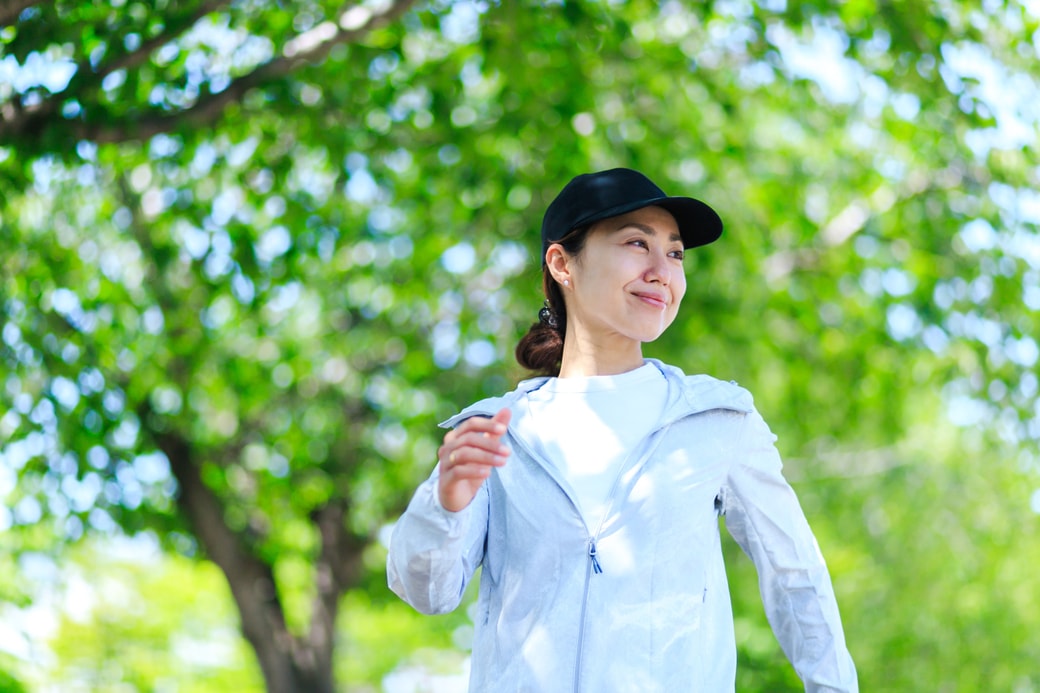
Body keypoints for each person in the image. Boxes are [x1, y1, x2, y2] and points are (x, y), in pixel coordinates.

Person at [386, 168, 858, 692]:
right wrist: (443, 503)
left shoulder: (717, 419)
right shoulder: (496, 431)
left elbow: (797, 579)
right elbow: (425, 592)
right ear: (562, 263)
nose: (663, 271)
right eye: (638, 243)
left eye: (676, 254)